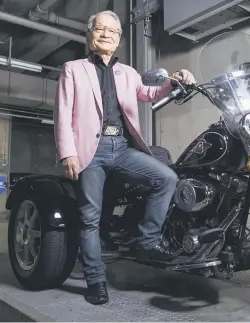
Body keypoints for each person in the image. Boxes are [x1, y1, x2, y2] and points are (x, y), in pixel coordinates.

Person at [53, 10, 196, 305]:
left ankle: (148, 238)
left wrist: (176, 80)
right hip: (90, 151)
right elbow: (63, 114)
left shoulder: (128, 73)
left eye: (112, 31)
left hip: (123, 146)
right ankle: (96, 280)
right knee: (90, 218)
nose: (106, 34)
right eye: (100, 29)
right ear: (90, 34)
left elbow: (150, 93)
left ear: (119, 40)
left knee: (166, 177)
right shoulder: (73, 69)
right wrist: (67, 152)